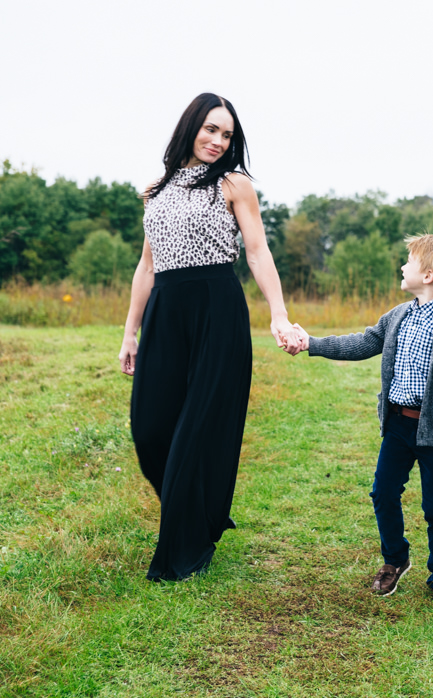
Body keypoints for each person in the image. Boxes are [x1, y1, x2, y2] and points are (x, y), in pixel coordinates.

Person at [118, 92, 298, 581]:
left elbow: (258, 253)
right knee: (150, 425)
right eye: (211, 129)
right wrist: (130, 332)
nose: (219, 141)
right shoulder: (157, 189)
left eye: (228, 135)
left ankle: (184, 547)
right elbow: (147, 265)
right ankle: (201, 511)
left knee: (197, 429)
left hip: (217, 308)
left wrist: (278, 316)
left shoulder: (234, 185)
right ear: (191, 126)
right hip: (166, 311)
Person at [290, 234, 433, 604]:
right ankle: (395, 560)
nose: (403, 266)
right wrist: (313, 344)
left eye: (409, 262)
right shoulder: (398, 315)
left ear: (429, 275)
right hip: (399, 425)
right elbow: (363, 342)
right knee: (383, 492)